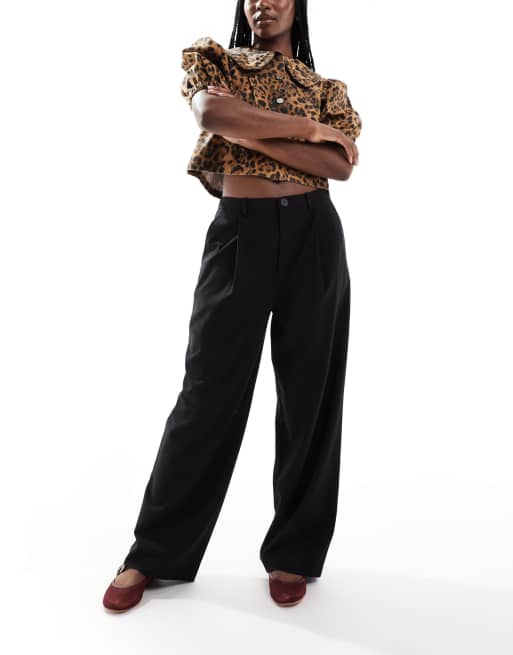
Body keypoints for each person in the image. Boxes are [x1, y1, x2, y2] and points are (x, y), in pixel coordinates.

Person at [103, 0, 362, 612]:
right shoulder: (214, 60)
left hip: (314, 235)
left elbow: (340, 165)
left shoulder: (328, 88)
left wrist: (252, 130)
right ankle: (154, 551)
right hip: (240, 233)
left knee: (310, 394)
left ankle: (295, 551)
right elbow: (211, 112)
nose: (262, 2)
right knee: (207, 394)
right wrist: (306, 131)